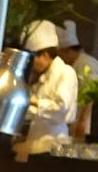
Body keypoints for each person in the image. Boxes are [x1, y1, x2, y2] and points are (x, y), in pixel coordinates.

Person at [22, 19, 80, 153]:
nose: (31, 65)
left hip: (55, 142)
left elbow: (61, 109)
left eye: (32, 59)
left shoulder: (66, 72)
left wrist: (34, 101)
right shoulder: (41, 78)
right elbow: (31, 113)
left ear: (45, 55)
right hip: (35, 141)